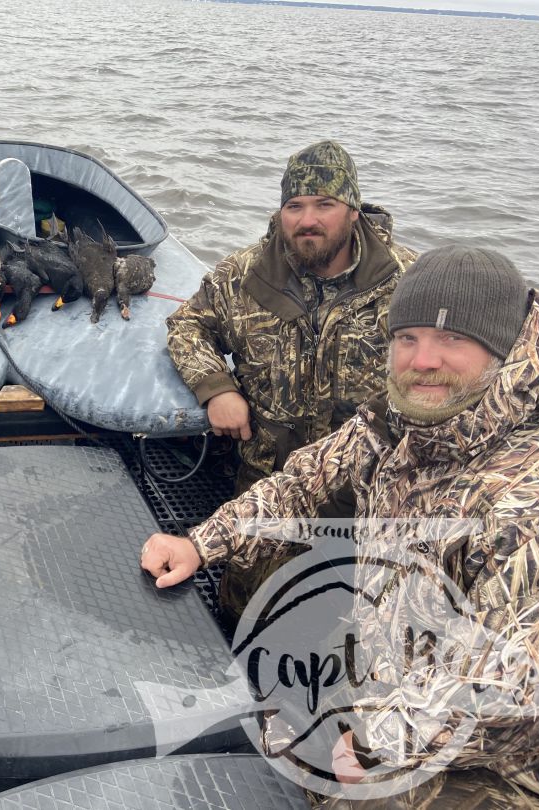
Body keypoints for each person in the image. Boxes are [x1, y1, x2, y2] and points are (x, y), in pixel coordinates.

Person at [142, 246, 539, 807]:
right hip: (380, 674)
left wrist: (378, 741)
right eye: (408, 338)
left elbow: (514, 689)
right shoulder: (410, 415)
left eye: (453, 340)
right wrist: (201, 542)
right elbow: (304, 481)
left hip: (501, 763)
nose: (423, 360)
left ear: (505, 349)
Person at [165, 139, 417, 617]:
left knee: (353, 626)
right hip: (267, 481)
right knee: (246, 613)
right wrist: (217, 388)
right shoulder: (243, 275)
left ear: (354, 210)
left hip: (368, 493)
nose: (308, 220)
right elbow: (187, 326)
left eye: (325, 204)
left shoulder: (409, 282)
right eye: (295, 205)